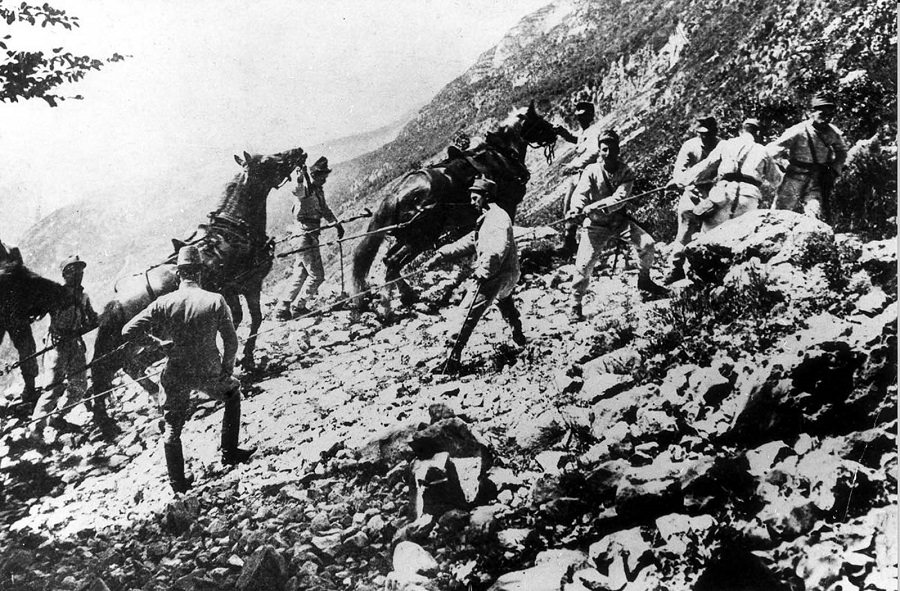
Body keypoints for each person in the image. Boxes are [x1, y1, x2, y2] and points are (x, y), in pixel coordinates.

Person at [122, 246, 255, 494]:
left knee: (172, 426)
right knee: (233, 395)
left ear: (178, 275)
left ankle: (178, 483)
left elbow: (128, 331)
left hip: (176, 372)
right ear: (201, 273)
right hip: (209, 370)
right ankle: (229, 453)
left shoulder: (164, 302)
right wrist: (226, 369)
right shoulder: (215, 300)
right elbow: (231, 341)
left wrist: (158, 345)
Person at [424, 177, 526, 375]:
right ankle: (518, 335)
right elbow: (472, 240)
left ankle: (450, 360)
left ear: (486, 197)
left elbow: (497, 250)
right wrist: (440, 255)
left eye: (475, 198)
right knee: (505, 302)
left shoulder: (496, 219)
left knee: (466, 313)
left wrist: (483, 272)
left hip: (495, 274)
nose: (472, 202)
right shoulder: (489, 216)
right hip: (507, 274)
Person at [566, 130, 666, 321]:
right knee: (584, 265)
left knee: (648, 245)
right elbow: (580, 193)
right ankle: (575, 304)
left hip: (619, 222)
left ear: (618, 150)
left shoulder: (626, 172)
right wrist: (576, 209)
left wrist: (593, 206)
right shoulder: (591, 171)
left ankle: (644, 281)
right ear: (600, 151)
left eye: (612, 149)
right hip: (596, 225)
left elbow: (619, 199)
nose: (608, 153)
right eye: (604, 149)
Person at [31, 255, 102, 438]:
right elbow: (37, 312)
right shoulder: (56, 295)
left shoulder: (84, 297)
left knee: (79, 385)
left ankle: (57, 417)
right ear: (65, 274)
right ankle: (35, 430)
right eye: (73, 271)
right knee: (52, 388)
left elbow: (92, 320)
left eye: (80, 270)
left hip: (75, 345)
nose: (78, 274)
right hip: (56, 345)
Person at [679, 118, 782, 233]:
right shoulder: (763, 150)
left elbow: (705, 166)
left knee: (709, 237)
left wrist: (681, 181)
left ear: (740, 131)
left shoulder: (726, 144)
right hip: (748, 199)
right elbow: (778, 181)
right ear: (757, 133)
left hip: (722, 195)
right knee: (741, 238)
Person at [276, 156, 344, 320]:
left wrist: (336, 224)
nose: (325, 180)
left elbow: (325, 210)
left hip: (308, 234)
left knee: (300, 274)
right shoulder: (306, 187)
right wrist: (300, 179)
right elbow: (299, 191)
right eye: (322, 177)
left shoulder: (318, 191)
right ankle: (298, 307)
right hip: (304, 234)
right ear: (315, 175)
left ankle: (282, 308)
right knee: (317, 275)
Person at [767, 93, 848, 223]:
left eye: (830, 115)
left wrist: (834, 169)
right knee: (780, 214)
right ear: (811, 112)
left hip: (817, 179)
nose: (826, 118)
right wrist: (782, 164)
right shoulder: (798, 130)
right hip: (795, 177)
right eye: (822, 114)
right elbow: (772, 149)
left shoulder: (833, 132)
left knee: (815, 214)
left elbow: (842, 152)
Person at [664, 115, 721, 283]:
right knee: (684, 232)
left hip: (714, 193)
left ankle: (712, 270)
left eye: (708, 133)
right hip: (692, 191)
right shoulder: (689, 146)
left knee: (716, 231)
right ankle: (675, 268)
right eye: (701, 133)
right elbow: (679, 174)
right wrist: (688, 187)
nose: (704, 137)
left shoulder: (721, 145)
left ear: (715, 132)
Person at [0, 241, 40, 414]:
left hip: (15, 311)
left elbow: (26, 279)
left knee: (27, 349)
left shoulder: (12, 251)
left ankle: (30, 389)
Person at [556, 101, 599, 258]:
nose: (581, 119)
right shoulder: (585, 132)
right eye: (579, 116)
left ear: (590, 115)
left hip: (586, 175)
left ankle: (581, 244)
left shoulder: (594, 132)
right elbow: (578, 140)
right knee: (568, 206)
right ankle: (569, 242)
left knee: (578, 206)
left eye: (584, 115)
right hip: (577, 175)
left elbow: (593, 152)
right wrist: (564, 134)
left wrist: (574, 165)